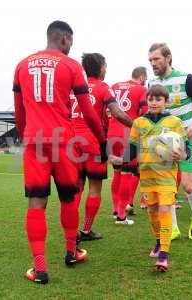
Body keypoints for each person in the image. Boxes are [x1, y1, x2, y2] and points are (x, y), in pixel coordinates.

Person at [13, 20, 107, 285]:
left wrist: (26, 135)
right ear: (65, 39)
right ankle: (71, 252)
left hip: (35, 143)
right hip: (64, 142)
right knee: (69, 198)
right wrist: (101, 140)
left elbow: (19, 111)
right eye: (71, 42)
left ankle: (40, 269)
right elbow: (87, 111)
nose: (70, 47)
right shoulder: (71, 65)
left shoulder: (22, 64)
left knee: (36, 204)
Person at [110, 84, 187, 272]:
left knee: (164, 209)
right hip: (146, 174)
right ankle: (159, 241)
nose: (153, 103)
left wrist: (182, 155)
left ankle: (164, 255)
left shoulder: (174, 122)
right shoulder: (139, 123)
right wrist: (121, 159)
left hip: (167, 175)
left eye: (158, 99)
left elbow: (187, 149)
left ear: (166, 101)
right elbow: (133, 149)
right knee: (152, 211)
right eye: (151, 99)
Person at [148, 43, 192, 240]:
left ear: (168, 58)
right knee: (167, 188)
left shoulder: (185, 78)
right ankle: (173, 228)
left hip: (188, 140)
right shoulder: (151, 83)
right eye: (150, 60)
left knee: (189, 186)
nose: (153, 63)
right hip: (164, 143)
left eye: (156, 59)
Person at [71, 53, 132, 240]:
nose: (106, 69)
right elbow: (118, 114)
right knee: (94, 188)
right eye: (105, 66)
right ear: (101, 67)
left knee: (76, 189)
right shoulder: (103, 88)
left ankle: (72, 233)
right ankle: (86, 230)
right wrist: (138, 126)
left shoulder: (73, 88)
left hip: (71, 142)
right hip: (93, 143)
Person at [108, 66, 148, 224]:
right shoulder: (141, 89)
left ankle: (115, 210)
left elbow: (108, 109)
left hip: (112, 133)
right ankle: (121, 215)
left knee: (117, 172)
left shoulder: (115, 86)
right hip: (128, 134)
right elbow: (144, 115)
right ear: (142, 76)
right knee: (127, 173)